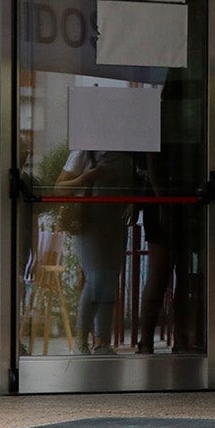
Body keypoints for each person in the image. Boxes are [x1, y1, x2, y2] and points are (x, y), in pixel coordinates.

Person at [57, 150, 128, 354]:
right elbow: (59, 187)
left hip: (114, 218)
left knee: (108, 277)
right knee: (97, 277)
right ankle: (82, 340)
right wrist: (88, 176)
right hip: (88, 220)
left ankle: (101, 341)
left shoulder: (125, 154)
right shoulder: (84, 151)